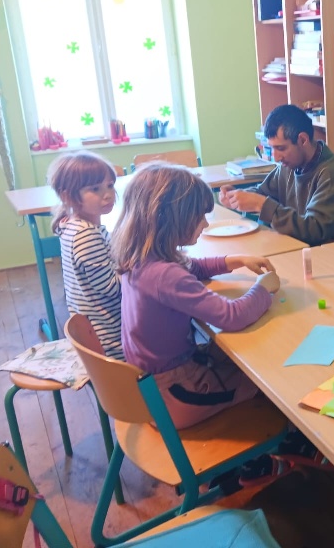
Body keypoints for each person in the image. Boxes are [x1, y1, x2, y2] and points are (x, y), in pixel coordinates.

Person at [111, 163, 280, 429]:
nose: (205, 223)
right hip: (178, 395)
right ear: (172, 219)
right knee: (271, 381)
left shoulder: (141, 258)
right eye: (199, 216)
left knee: (241, 357)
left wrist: (233, 260)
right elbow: (232, 316)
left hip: (154, 385)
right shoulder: (165, 275)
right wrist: (263, 288)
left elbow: (192, 267)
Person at [219, 104, 334, 245]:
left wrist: (260, 204)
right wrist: (237, 196)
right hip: (304, 249)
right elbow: (262, 192)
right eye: (272, 148)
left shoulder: (333, 172)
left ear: (303, 140)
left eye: (281, 148)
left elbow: (315, 230)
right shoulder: (289, 165)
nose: (276, 157)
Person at [48, 151, 123, 360]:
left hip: (96, 333)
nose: (107, 194)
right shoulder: (86, 235)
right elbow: (112, 288)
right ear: (67, 196)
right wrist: (138, 267)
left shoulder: (72, 224)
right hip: (112, 341)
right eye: (95, 189)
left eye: (110, 185)